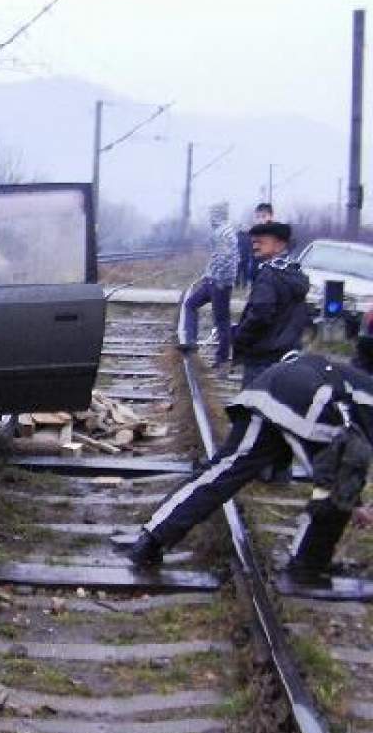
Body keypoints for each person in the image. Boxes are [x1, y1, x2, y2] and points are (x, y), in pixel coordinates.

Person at [126, 338, 373, 576]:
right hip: (310, 399)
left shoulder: (360, 385)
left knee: (223, 471)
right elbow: (349, 462)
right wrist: (355, 503)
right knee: (335, 492)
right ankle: (307, 565)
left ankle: (152, 538)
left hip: (272, 385)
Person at [232, 219, 309, 388]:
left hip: (262, 359)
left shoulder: (268, 275)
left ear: (279, 244)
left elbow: (260, 314)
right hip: (289, 356)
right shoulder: (294, 273)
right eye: (254, 241)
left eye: (261, 241)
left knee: (250, 409)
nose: (255, 245)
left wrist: (240, 337)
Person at [177, 202, 238, 367]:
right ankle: (190, 342)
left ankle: (222, 359)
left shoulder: (225, 233)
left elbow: (226, 260)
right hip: (212, 281)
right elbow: (216, 258)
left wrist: (219, 280)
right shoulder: (220, 232)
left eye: (212, 214)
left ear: (217, 215)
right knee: (190, 304)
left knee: (222, 320)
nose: (210, 218)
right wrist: (207, 275)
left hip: (219, 284)